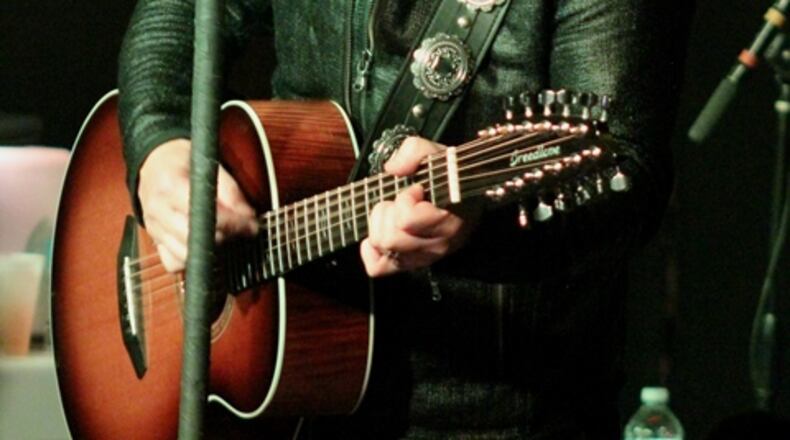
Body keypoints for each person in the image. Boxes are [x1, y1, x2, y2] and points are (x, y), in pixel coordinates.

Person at [118, 0, 693, 438]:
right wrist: (159, 141)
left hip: (497, 414)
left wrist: (480, 225)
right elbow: (178, 13)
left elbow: (624, 170)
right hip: (292, 399)